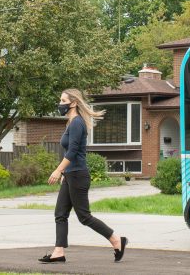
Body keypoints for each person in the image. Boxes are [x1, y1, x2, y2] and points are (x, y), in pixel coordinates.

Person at [39, 88, 128, 264]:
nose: (60, 104)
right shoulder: (71, 122)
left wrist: (58, 170)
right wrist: (65, 172)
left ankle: (116, 239)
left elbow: (72, 152)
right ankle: (58, 251)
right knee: (60, 213)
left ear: (73, 103)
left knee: (84, 216)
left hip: (78, 175)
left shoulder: (77, 123)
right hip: (71, 174)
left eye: (63, 101)